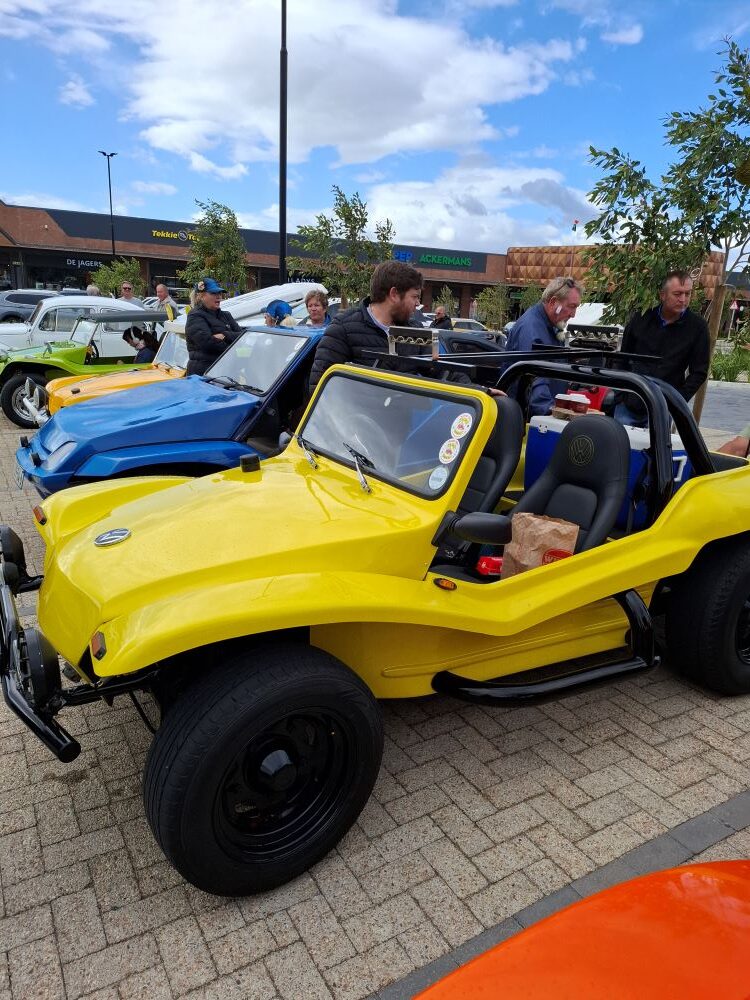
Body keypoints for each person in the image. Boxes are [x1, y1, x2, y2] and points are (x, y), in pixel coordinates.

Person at [309, 260, 424, 393]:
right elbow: (319, 387)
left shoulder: (416, 330)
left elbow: (437, 375)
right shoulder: (343, 328)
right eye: (415, 297)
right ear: (394, 294)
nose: (418, 303)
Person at [614, 271, 710, 428]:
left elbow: (699, 372)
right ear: (663, 295)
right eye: (677, 294)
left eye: (687, 294)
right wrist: (620, 395)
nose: (683, 299)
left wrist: (677, 401)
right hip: (628, 404)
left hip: (663, 408)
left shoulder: (697, 327)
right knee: (621, 442)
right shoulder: (641, 318)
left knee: (655, 445)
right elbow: (622, 359)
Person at [504, 276, 583, 416]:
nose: (573, 315)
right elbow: (535, 380)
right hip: (528, 417)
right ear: (553, 302)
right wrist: (549, 413)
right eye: (571, 306)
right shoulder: (531, 329)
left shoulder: (549, 325)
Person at [184, 277, 242, 375]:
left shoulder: (226, 315)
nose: (218, 296)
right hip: (203, 372)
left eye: (219, 293)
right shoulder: (195, 315)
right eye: (213, 293)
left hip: (225, 371)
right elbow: (208, 344)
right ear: (201, 296)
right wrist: (233, 344)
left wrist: (225, 335)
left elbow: (242, 337)